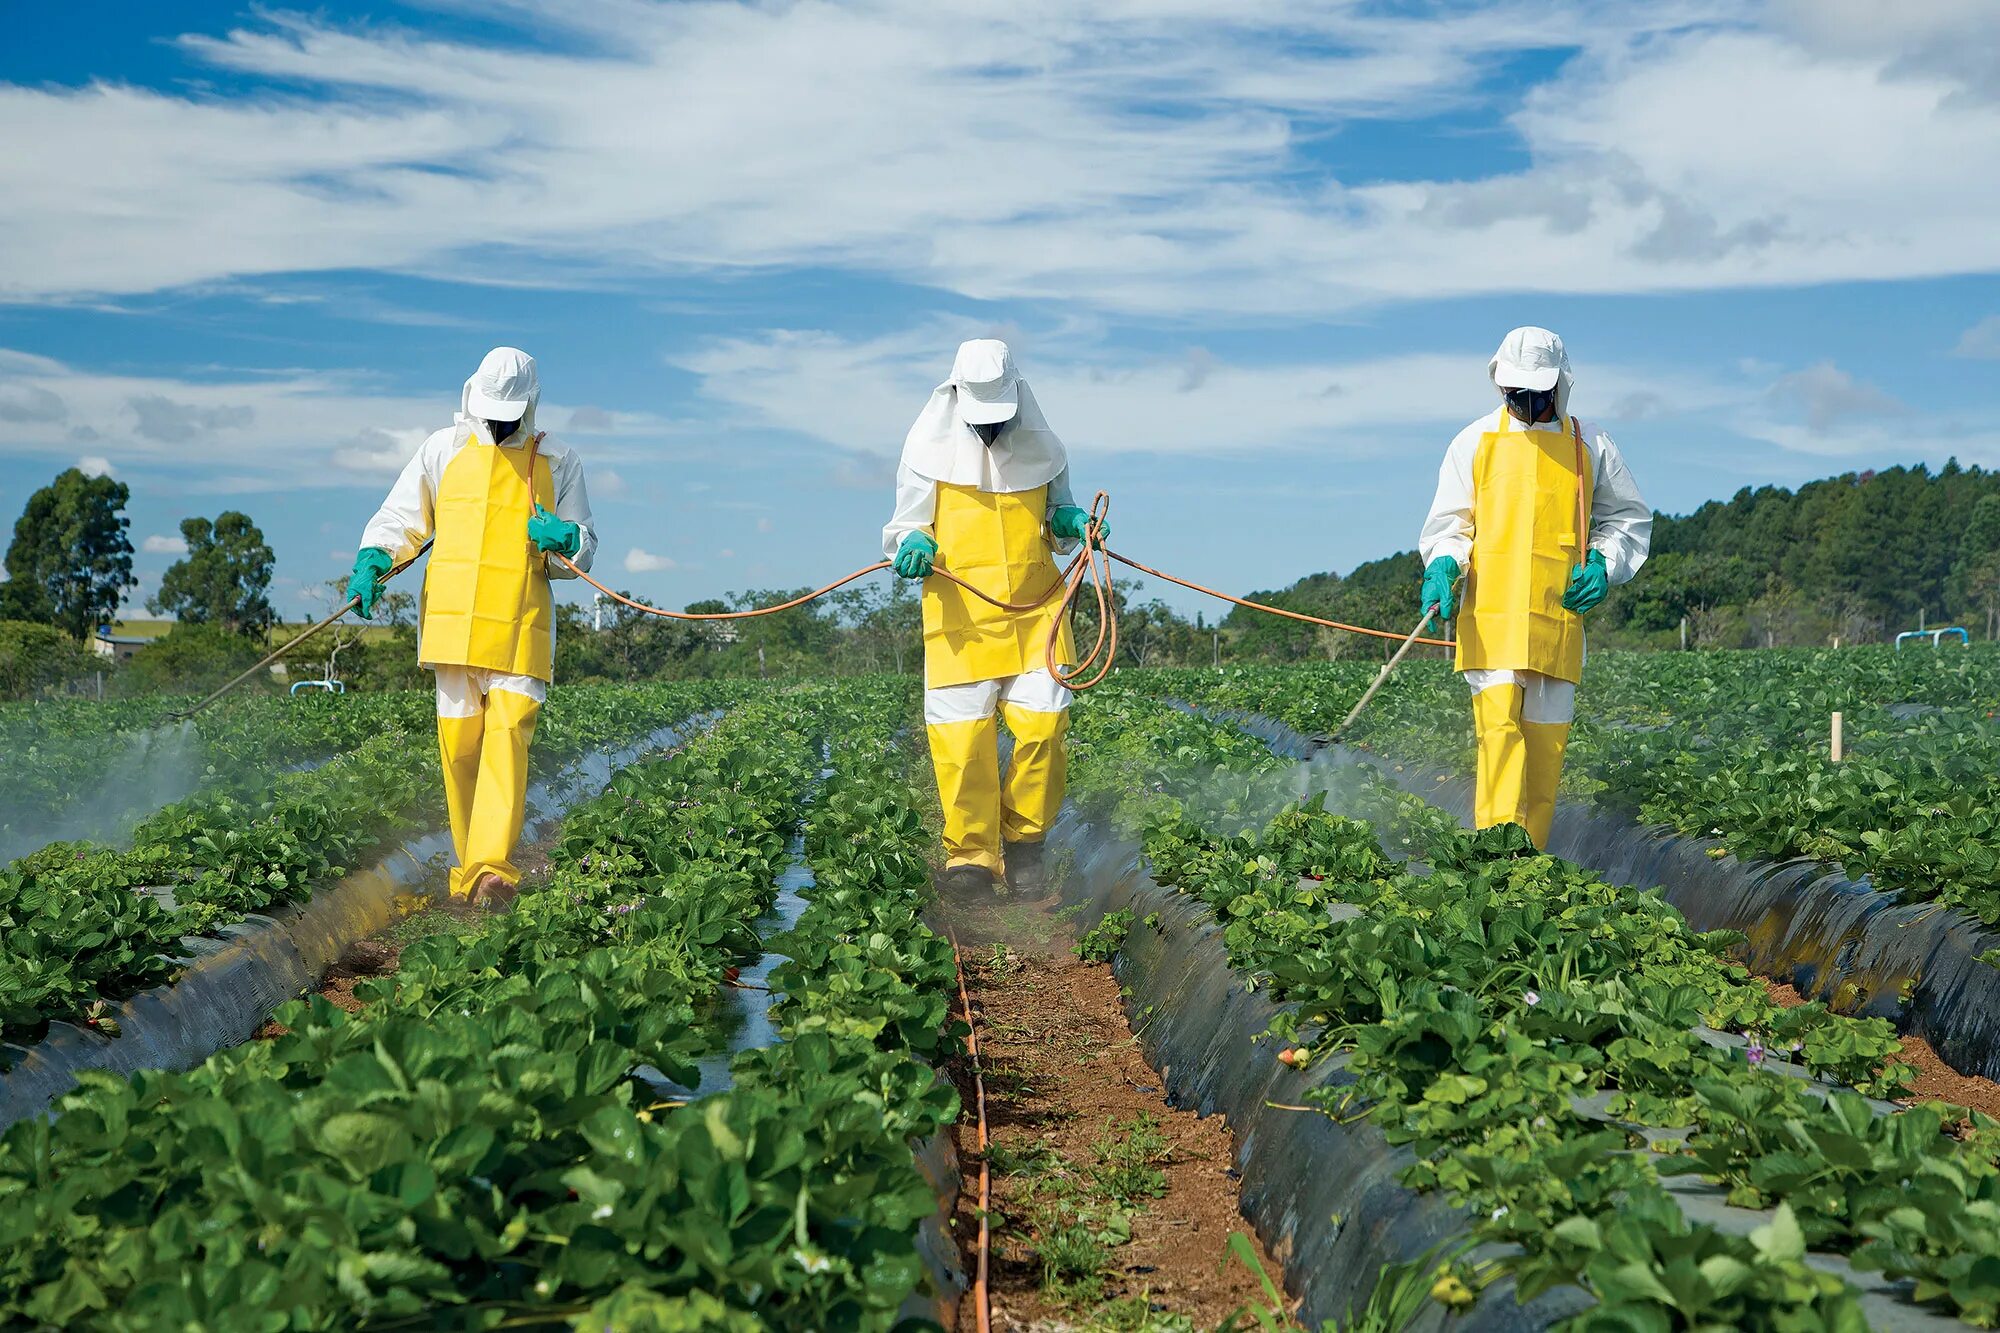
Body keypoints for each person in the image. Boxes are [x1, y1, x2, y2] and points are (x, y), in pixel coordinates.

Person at [345, 347, 596, 911]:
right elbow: (400, 518)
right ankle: (469, 873)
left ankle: (491, 870)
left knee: (507, 739)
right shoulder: (443, 449)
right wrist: (373, 561)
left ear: (530, 404)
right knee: (460, 748)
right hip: (452, 624)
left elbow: (583, 548)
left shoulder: (557, 460)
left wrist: (567, 539)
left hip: (519, 622)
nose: (499, 419)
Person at [883, 339, 1107, 894]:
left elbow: (1055, 523)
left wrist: (1072, 521)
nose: (991, 431)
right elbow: (905, 526)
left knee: (1045, 726)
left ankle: (1026, 841)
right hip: (961, 616)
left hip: (1037, 613)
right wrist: (913, 545)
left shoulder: (1045, 449)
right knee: (962, 743)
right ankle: (972, 859)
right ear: (956, 398)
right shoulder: (924, 452)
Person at [1418, 327, 1650, 849]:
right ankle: (1494, 867)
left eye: (1534, 393)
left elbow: (1627, 519)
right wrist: (1444, 567)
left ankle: (1529, 869)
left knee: (1545, 759)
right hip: (1492, 621)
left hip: (1557, 621)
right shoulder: (1474, 441)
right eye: (1514, 394)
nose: (1524, 403)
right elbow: (1451, 526)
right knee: (1499, 743)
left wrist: (1602, 562)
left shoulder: (1590, 444)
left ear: (1559, 386)